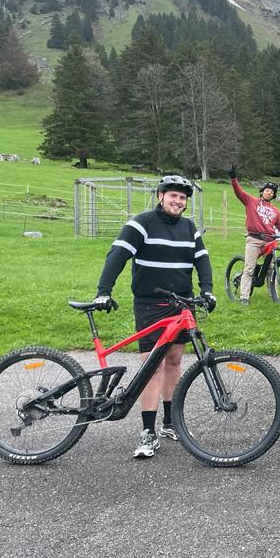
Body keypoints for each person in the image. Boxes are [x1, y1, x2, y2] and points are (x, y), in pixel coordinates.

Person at [94, 175, 215, 459]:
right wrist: (103, 290)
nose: (179, 201)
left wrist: (207, 290)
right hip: (151, 305)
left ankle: (170, 422)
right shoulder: (142, 222)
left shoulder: (189, 227)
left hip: (182, 305)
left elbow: (202, 260)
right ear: (160, 196)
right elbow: (117, 255)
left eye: (183, 198)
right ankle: (147, 432)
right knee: (153, 368)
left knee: (174, 361)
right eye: (173, 195)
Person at [230, 166, 280, 306]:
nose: (269, 193)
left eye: (271, 192)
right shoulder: (251, 201)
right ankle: (244, 297)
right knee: (249, 268)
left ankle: (274, 295)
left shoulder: (276, 211)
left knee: (271, 269)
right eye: (267, 190)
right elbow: (238, 192)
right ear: (262, 192)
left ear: (273, 195)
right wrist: (233, 179)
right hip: (254, 239)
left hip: (269, 242)